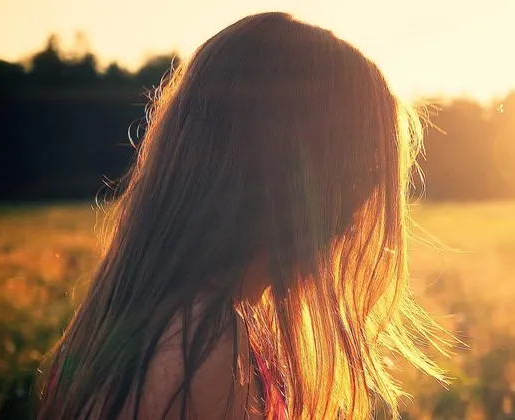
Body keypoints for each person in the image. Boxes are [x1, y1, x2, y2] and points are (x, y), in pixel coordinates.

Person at [37, 12, 449, 420]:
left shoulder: (149, 319)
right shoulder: (201, 350)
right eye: (363, 171)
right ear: (293, 176)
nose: (361, 209)